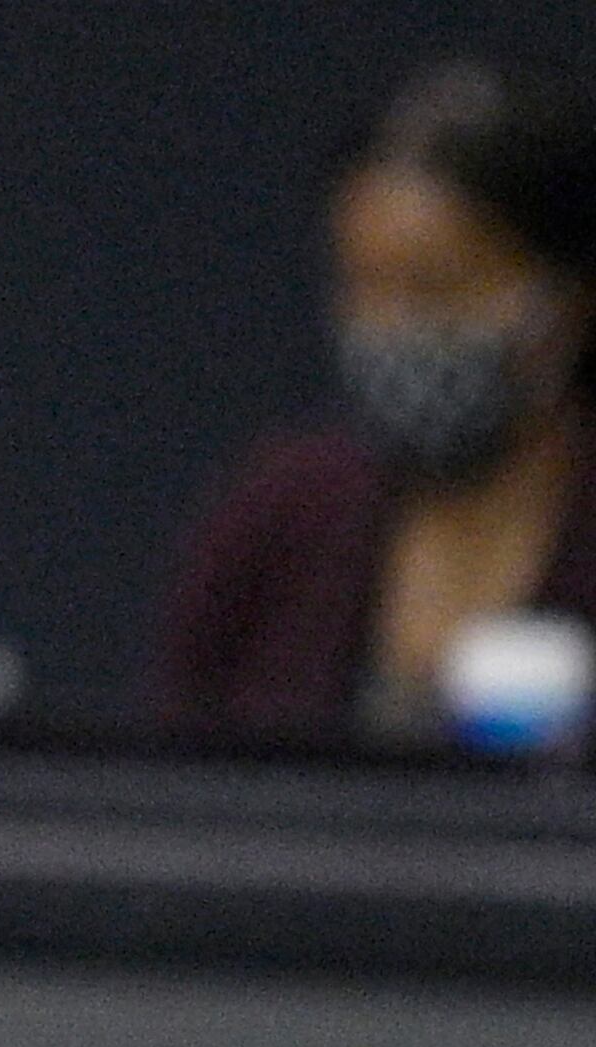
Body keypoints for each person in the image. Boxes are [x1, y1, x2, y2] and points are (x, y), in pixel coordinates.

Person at [158, 57, 596, 755]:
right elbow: (166, 780)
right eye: (365, 286)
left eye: (433, 290)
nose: (393, 330)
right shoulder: (283, 513)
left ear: (565, 305)